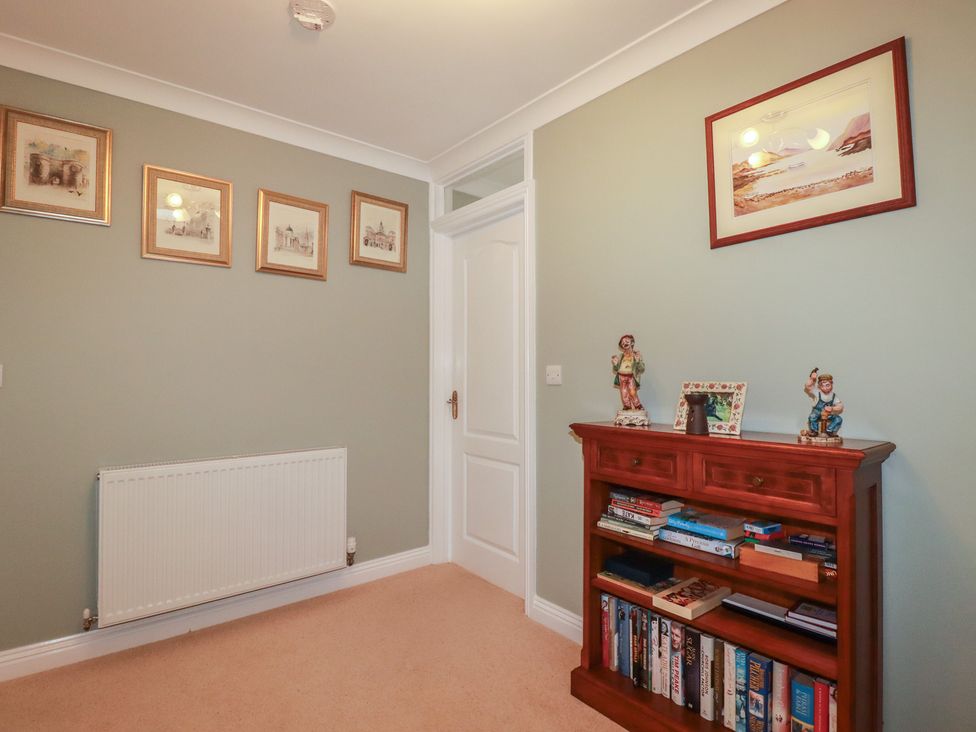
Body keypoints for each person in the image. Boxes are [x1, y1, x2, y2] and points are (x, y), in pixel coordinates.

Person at [804, 369, 843, 436]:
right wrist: (812, 379)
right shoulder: (817, 392)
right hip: (817, 412)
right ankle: (814, 431)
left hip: (828, 413)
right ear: (819, 386)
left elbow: (840, 405)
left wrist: (832, 408)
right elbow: (808, 386)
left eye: (827, 385)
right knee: (812, 417)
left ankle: (830, 430)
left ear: (831, 384)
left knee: (838, 419)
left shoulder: (833, 396)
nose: (825, 388)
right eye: (822, 386)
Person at [611, 334, 645, 411]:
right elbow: (616, 369)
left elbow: (642, 368)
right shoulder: (621, 356)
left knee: (632, 392)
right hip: (621, 376)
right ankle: (627, 406)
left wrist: (637, 361)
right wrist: (615, 364)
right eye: (622, 343)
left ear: (632, 343)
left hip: (631, 376)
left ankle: (638, 405)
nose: (624, 344)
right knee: (624, 392)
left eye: (626, 341)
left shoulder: (636, 355)